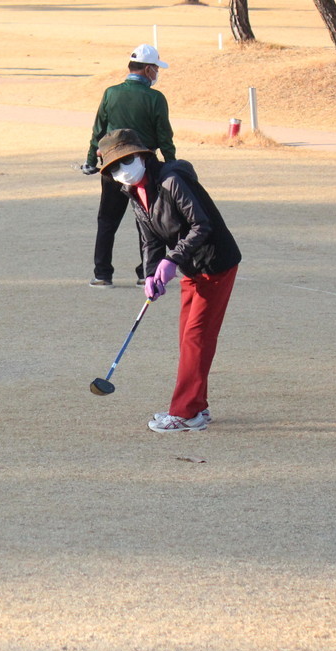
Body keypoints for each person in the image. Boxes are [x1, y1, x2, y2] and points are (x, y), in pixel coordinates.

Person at [96, 128, 241, 433]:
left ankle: (185, 413)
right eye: (114, 168)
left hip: (215, 264)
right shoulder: (133, 191)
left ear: (142, 156)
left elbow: (202, 225)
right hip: (191, 267)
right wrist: (150, 273)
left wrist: (172, 259)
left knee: (195, 338)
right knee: (188, 338)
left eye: (127, 160)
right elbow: (149, 237)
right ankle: (197, 407)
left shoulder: (173, 180)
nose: (123, 170)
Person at [81, 44, 175, 289]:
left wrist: (91, 160)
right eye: (155, 68)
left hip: (112, 165)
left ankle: (102, 274)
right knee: (149, 221)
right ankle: (147, 272)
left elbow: (98, 131)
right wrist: (173, 166)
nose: (156, 72)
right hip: (146, 167)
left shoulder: (111, 93)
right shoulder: (156, 98)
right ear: (147, 69)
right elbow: (164, 137)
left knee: (107, 221)